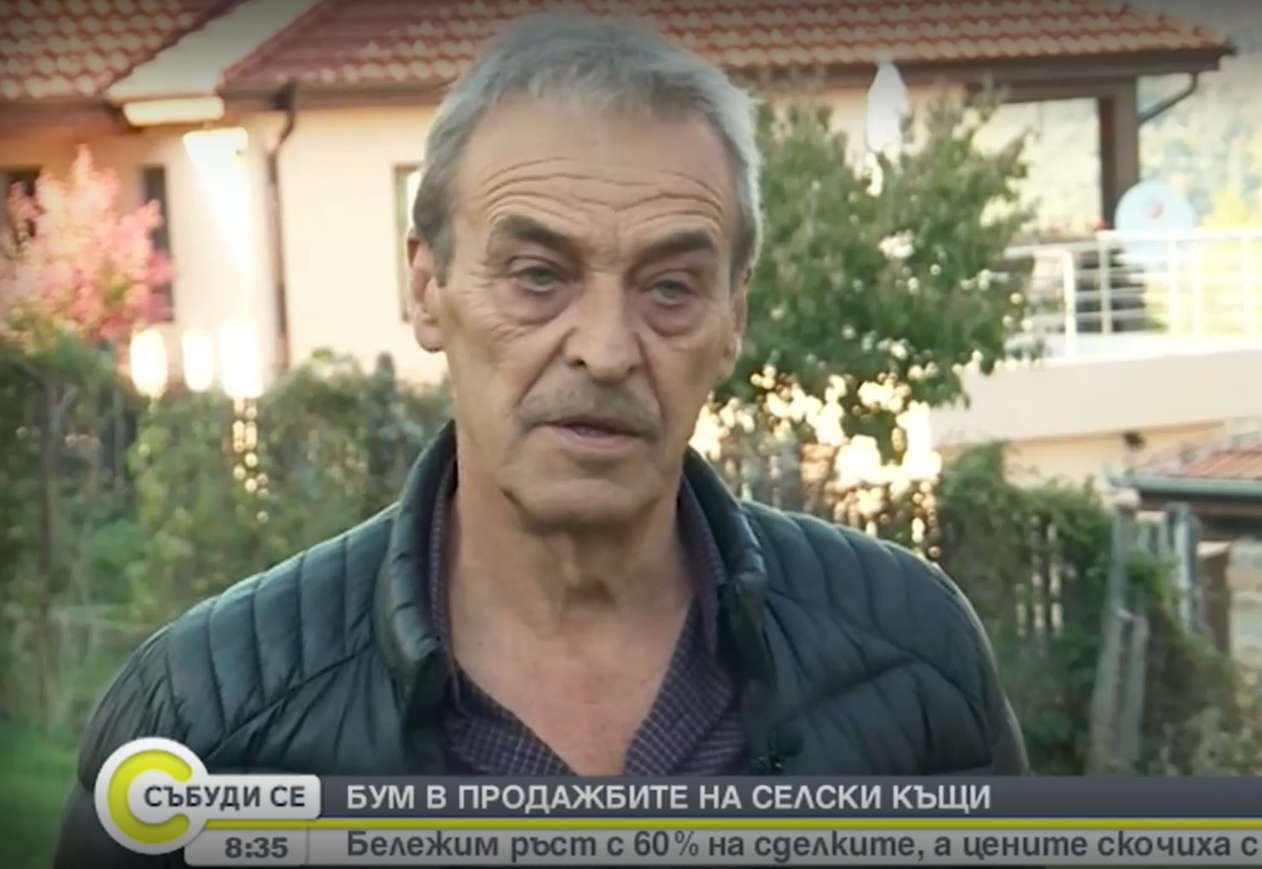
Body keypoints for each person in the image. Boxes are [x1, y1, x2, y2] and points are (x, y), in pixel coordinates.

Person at [54, 12, 1026, 866]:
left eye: (670, 287)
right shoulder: (204, 723)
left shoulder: (914, 657)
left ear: (733, 318)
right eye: (536, 275)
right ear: (427, 287)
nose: (605, 349)